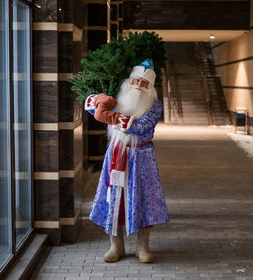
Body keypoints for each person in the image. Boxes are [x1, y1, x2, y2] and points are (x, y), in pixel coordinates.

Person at [85, 59, 169, 263]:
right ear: (129, 81)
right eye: (136, 80)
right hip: (116, 155)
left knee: (145, 201)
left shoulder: (155, 106)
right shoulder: (118, 99)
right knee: (113, 199)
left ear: (151, 87)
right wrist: (96, 101)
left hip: (142, 158)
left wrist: (110, 117)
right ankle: (116, 246)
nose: (139, 85)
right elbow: (92, 108)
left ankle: (143, 247)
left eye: (145, 82)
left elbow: (142, 126)